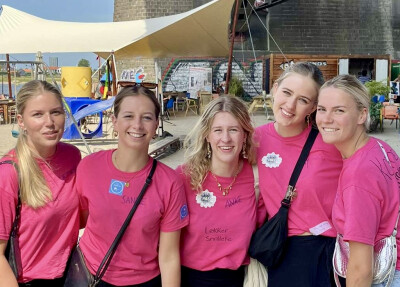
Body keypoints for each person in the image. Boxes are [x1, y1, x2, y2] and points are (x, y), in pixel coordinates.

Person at [75, 85, 189, 287]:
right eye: (128, 116)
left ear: (156, 126)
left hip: (143, 280)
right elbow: (79, 221)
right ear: (115, 122)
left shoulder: (170, 182)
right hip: (90, 274)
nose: (137, 125)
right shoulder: (89, 166)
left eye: (146, 117)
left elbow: (169, 256)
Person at [255, 62, 343, 286]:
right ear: (275, 89)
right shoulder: (253, 140)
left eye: (303, 100)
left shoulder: (331, 142)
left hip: (326, 250)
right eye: (286, 93)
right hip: (282, 250)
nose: (290, 105)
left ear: (313, 107)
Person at [316, 74, 400, 287]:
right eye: (321, 109)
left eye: (339, 110)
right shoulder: (380, 148)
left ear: (362, 115)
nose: (326, 119)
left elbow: (361, 268)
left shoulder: (359, 174)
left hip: (386, 277)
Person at [0, 80, 81, 287]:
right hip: (27, 280)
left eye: (56, 112)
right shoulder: (9, 172)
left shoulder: (72, 156)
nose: (50, 122)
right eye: (37, 114)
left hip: (71, 274)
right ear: (21, 121)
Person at [176, 95, 257, 287]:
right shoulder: (183, 178)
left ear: (244, 134)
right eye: (218, 130)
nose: (226, 138)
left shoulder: (256, 177)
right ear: (207, 135)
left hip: (238, 279)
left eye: (234, 130)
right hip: (190, 278)